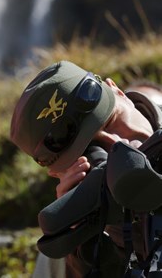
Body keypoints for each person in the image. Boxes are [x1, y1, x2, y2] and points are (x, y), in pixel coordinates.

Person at [10, 60, 162, 277]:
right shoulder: (77, 244)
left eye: (111, 121)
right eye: (94, 150)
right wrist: (85, 240)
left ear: (117, 91)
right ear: (58, 174)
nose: (117, 143)